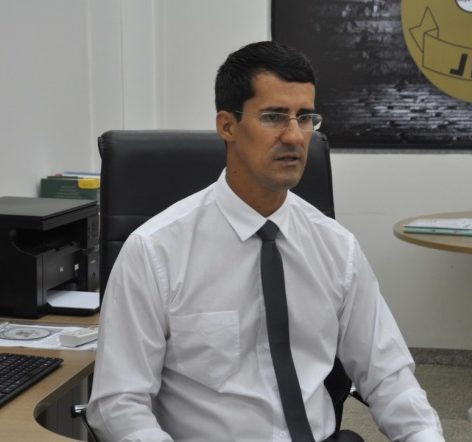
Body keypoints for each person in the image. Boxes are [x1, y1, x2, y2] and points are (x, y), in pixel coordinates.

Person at [87, 41, 445, 442]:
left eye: (305, 117)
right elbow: (119, 404)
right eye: (274, 117)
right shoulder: (155, 251)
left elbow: (389, 375)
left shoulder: (336, 247)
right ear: (227, 126)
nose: (294, 136)